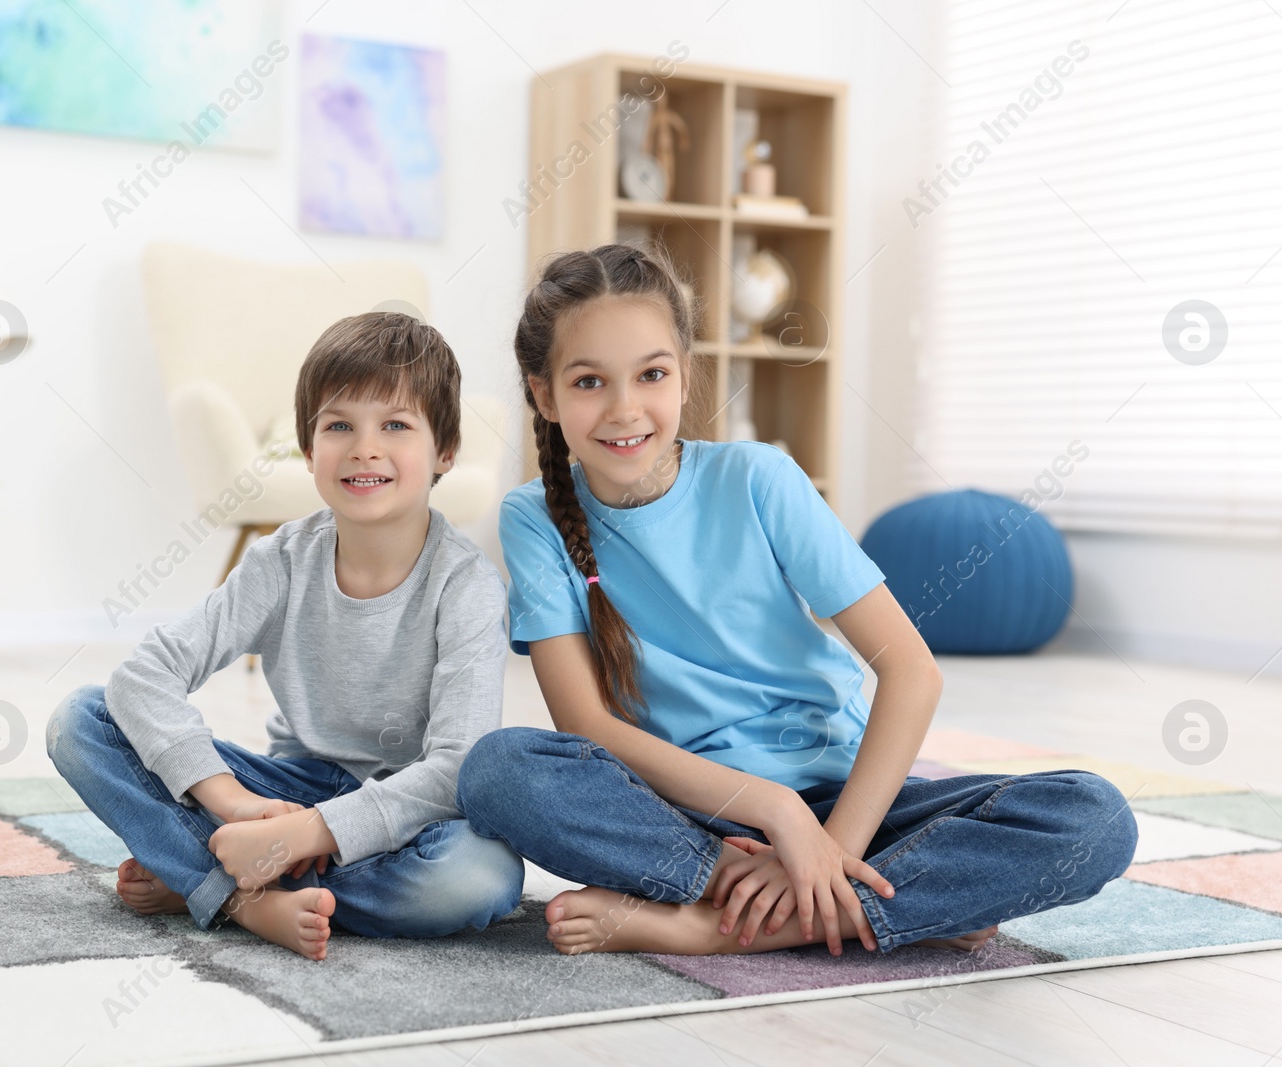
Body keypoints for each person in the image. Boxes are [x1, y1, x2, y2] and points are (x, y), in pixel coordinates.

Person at [456, 244, 1137, 958]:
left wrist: (825, 843)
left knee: (1094, 817)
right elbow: (586, 724)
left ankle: (729, 923)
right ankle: (840, 900)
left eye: (651, 373)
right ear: (543, 394)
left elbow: (912, 672)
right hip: (683, 815)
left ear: (685, 375)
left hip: (845, 804)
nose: (625, 408)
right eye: (590, 381)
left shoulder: (760, 478)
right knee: (500, 770)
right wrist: (777, 815)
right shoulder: (531, 517)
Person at [48, 311, 523, 961]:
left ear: (444, 450)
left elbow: (453, 771)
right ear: (308, 449)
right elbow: (145, 676)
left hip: (408, 816)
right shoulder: (282, 560)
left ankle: (202, 880)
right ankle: (244, 896)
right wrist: (238, 806)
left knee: (481, 876)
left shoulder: (468, 586)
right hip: (287, 790)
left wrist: (305, 836)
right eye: (339, 425)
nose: (365, 448)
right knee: (80, 719)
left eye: (396, 424)